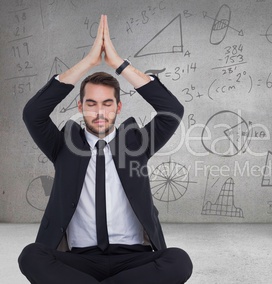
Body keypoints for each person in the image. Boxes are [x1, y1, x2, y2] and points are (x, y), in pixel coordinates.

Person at [18, 15, 192, 284]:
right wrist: (89, 61)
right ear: (80, 106)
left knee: (179, 261)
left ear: (118, 107)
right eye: (91, 103)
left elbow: (172, 112)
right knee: (31, 256)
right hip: (79, 259)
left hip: (135, 258)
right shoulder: (63, 145)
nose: (99, 111)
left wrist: (118, 65)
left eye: (107, 103)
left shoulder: (137, 144)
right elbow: (33, 114)